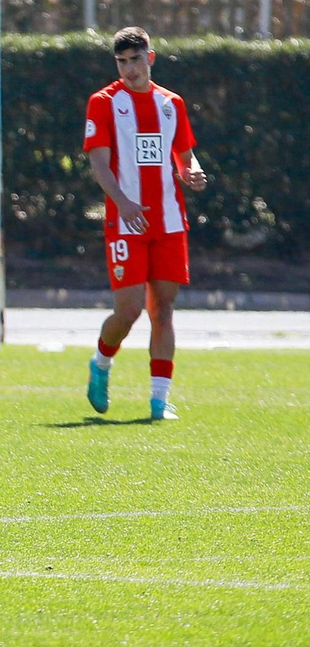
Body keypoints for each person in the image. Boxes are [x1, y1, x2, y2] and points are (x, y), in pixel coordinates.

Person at [82, 26, 207, 420]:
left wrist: (194, 173)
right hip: (126, 224)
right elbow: (98, 162)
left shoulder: (172, 103)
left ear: (150, 58)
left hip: (169, 222)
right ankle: (101, 363)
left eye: (136, 60)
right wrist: (123, 204)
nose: (129, 69)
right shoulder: (104, 102)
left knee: (164, 310)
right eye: (122, 62)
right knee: (130, 309)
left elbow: (184, 157)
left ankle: (159, 400)